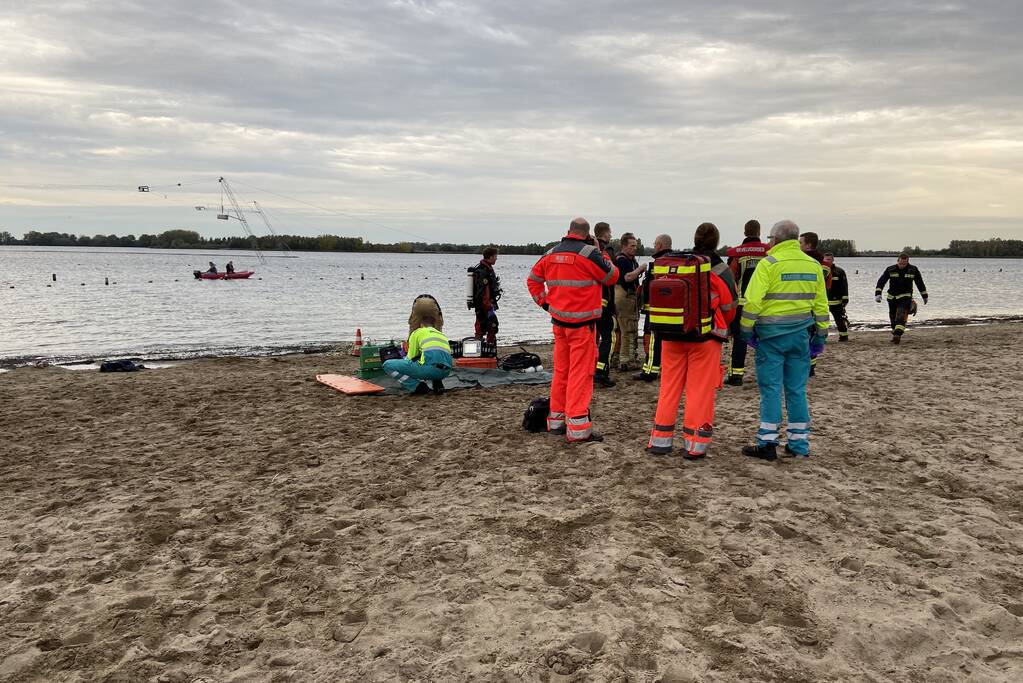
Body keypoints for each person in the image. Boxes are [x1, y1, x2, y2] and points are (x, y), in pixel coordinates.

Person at [739, 220, 830, 460]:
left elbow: (752, 303)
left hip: (770, 338)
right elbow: (821, 306)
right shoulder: (813, 266)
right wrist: (821, 336)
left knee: (771, 390)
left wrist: (746, 331)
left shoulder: (768, 264)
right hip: (801, 336)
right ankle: (799, 444)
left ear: (776, 239)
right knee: (797, 390)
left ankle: (767, 442)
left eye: (770, 238)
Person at [647, 223, 736, 460]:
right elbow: (729, 308)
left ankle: (660, 440)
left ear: (695, 239)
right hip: (705, 339)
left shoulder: (676, 263)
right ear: (716, 242)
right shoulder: (720, 269)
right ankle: (695, 444)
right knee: (699, 391)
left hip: (671, 334)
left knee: (669, 388)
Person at [527, 217, 619, 442]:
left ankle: (556, 421)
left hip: (559, 324)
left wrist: (546, 304)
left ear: (568, 231)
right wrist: (601, 251)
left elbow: (533, 281)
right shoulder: (590, 254)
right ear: (587, 235)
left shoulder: (550, 253)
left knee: (561, 372)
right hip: (582, 327)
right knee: (580, 374)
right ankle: (578, 427)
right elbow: (612, 276)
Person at [725, 220, 770, 385]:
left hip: (743, 303)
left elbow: (730, 278)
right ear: (759, 232)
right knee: (767, 339)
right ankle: (767, 376)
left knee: (740, 338)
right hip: (766, 304)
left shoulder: (736, 254)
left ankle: (736, 376)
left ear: (745, 232)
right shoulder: (769, 252)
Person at [383, 314, 452, 395]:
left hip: (430, 370)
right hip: (446, 372)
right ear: (434, 325)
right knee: (434, 358)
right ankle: (438, 385)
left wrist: (403, 364)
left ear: (421, 325)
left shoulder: (418, 332)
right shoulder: (442, 335)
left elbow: (410, 357)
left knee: (387, 365)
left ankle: (419, 387)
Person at [636, 233, 673, 381]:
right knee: (666, 341)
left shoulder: (657, 264)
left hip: (655, 310)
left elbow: (652, 287)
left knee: (653, 341)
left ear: (660, 245)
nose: (654, 245)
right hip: (672, 311)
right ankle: (663, 369)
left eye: (655, 243)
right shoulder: (675, 262)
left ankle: (650, 371)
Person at [610, 232, 647, 371]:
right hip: (624, 296)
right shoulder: (622, 260)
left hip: (628, 297)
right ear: (624, 246)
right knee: (628, 330)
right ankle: (627, 360)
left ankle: (617, 357)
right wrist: (641, 269)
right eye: (632, 245)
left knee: (622, 330)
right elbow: (627, 277)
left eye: (636, 245)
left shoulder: (629, 260)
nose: (635, 248)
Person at [875, 253, 928, 344]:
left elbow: (919, 283)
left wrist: (924, 296)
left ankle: (898, 335)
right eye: (900, 263)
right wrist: (878, 294)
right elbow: (881, 281)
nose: (902, 266)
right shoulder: (890, 269)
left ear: (907, 262)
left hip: (905, 297)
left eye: (904, 264)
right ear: (897, 261)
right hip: (892, 298)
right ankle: (895, 332)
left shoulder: (913, 270)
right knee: (893, 317)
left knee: (901, 315)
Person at [799, 231, 830, 376]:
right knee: (813, 336)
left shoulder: (806, 262)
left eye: (800, 243)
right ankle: (811, 367)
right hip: (816, 304)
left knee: (805, 337)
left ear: (809, 245)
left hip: (805, 306)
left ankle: (808, 367)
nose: (798, 246)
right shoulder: (823, 264)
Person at [592, 222, 618, 388]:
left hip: (589, 304)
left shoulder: (589, 249)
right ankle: (601, 371)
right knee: (609, 338)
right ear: (605, 233)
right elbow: (611, 275)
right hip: (603, 302)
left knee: (593, 339)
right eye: (609, 233)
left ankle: (592, 369)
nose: (610, 235)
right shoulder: (603, 251)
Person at [470, 248, 501, 345]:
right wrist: (489, 308)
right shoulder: (483, 272)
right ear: (491, 257)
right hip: (484, 306)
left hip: (484, 305)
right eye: (495, 256)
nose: (496, 259)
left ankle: (486, 350)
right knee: (490, 326)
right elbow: (484, 293)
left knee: (485, 327)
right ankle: (483, 350)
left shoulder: (486, 269)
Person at [823, 252, 850, 341]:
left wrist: (845, 299)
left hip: (836, 301)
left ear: (833, 260)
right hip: (823, 302)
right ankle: (822, 338)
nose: (827, 261)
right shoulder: (820, 271)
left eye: (829, 259)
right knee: (822, 321)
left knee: (840, 320)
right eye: (826, 259)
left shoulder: (839, 271)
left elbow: (844, 285)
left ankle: (843, 336)